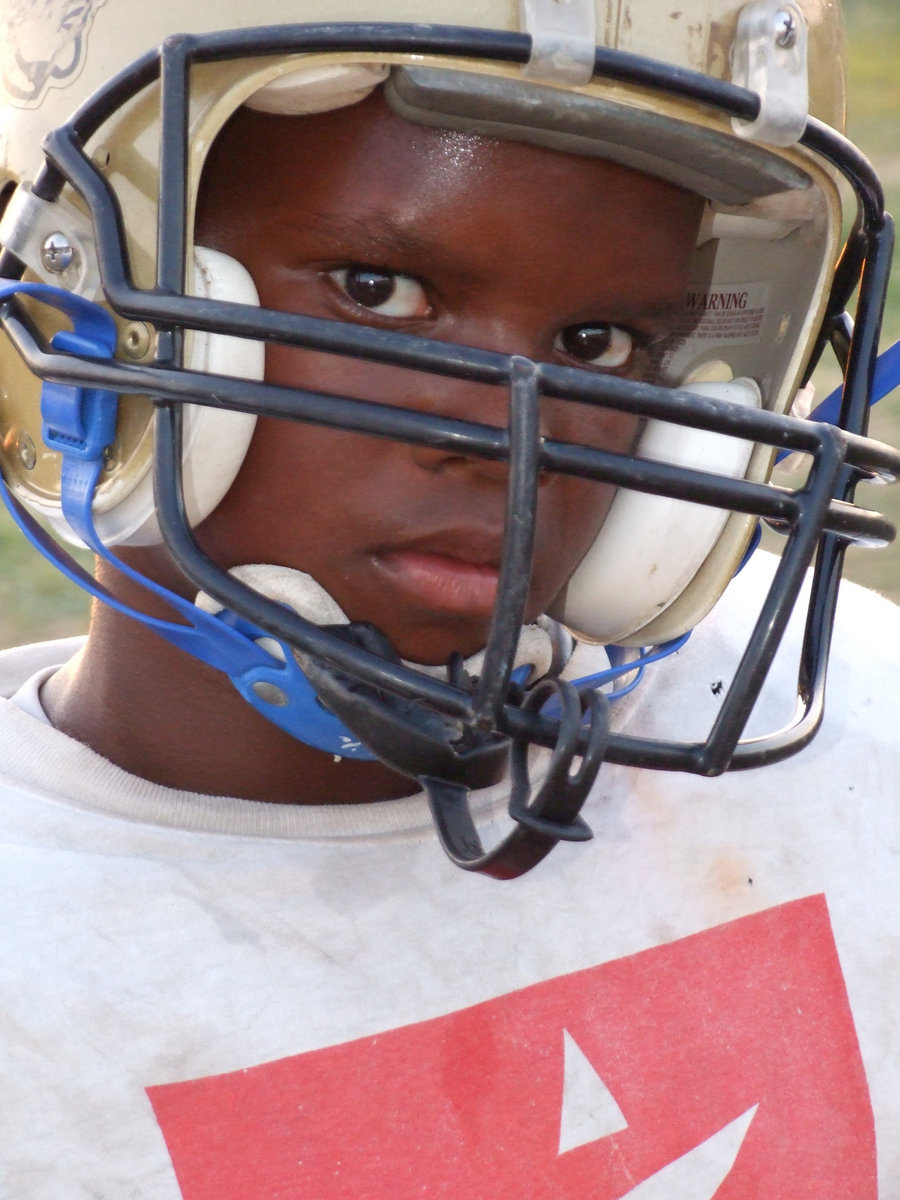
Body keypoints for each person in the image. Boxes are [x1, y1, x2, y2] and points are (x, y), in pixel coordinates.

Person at [1, 0, 899, 1195]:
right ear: (76, 307)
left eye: (599, 338)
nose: (504, 433)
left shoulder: (860, 724)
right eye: (378, 288)